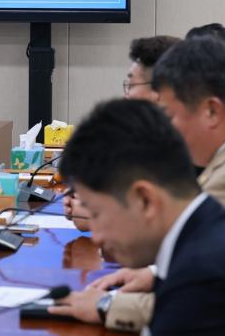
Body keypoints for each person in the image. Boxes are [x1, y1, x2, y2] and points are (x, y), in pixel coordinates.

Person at [53, 35, 225, 332]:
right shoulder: (222, 159)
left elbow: (208, 274)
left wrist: (106, 303)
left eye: (168, 115)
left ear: (212, 111)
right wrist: (155, 273)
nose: (165, 129)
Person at [64, 35, 180, 230]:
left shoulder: (185, 146)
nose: (126, 96)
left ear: (160, 92)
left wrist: (100, 217)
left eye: (131, 86)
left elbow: (178, 223)